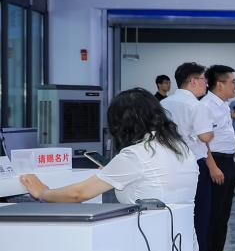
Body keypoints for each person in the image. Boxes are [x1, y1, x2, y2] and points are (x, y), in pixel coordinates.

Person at [19, 89, 198, 209]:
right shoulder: (180, 147)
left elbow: (78, 194)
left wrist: (43, 192)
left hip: (147, 241)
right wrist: (113, 170)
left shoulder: (136, 154)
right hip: (182, 242)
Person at [161, 62, 215, 251]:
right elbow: (205, 137)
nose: (206, 84)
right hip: (194, 164)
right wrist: (211, 132)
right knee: (199, 212)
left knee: (176, 211)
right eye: (203, 80)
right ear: (193, 81)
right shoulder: (196, 105)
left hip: (168, 164)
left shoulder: (163, 104)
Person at [202, 65, 235, 251]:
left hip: (227, 160)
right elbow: (202, 140)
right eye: (232, 82)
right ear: (219, 84)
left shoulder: (223, 104)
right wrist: (213, 167)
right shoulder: (206, 106)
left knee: (223, 212)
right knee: (214, 212)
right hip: (215, 162)